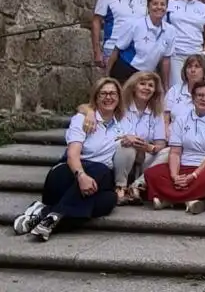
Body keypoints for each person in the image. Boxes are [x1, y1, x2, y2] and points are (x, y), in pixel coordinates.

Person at [13, 77, 124, 240]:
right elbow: (73, 155)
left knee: (109, 199)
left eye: (113, 93)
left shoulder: (124, 124)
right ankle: (55, 214)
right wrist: (81, 176)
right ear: (95, 97)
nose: (108, 97)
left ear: (119, 97)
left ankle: (45, 213)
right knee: (100, 169)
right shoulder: (82, 119)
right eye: (103, 94)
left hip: (97, 182)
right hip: (68, 174)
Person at [144, 79, 205, 212]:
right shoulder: (181, 119)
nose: (203, 99)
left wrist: (194, 176)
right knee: (151, 174)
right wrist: (175, 176)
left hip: (204, 168)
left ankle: (168, 199)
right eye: (199, 95)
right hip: (183, 166)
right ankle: (192, 200)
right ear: (193, 98)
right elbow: (175, 152)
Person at [112, 72, 167, 204]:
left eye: (150, 85)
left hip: (143, 155)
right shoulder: (119, 106)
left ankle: (136, 185)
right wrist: (128, 139)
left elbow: (161, 144)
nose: (146, 88)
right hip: (120, 154)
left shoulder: (156, 112)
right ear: (133, 86)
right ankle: (120, 187)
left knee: (168, 153)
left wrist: (149, 147)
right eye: (142, 84)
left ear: (155, 91)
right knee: (126, 145)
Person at [107, 0, 176, 88]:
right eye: (155, 4)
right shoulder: (135, 24)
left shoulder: (171, 31)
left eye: (162, 4)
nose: (159, 7)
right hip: (126, 70)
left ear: (166, 7)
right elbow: (117, 49)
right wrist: (106, 76)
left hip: (146, 75)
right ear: (148, 7)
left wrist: (166, 86)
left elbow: (166, 60)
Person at [91, 0, 147, 71]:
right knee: (114, 87)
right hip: (112, 52)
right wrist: (97, 52)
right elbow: (96, 21)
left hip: (137, 53)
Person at [163, 54, 205, 128]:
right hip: (172, 136)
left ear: (204, 71)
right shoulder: (175, 90)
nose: (193, 70)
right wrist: (166, 131)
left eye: (197, 66)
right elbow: (165, 118)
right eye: (189, 67)